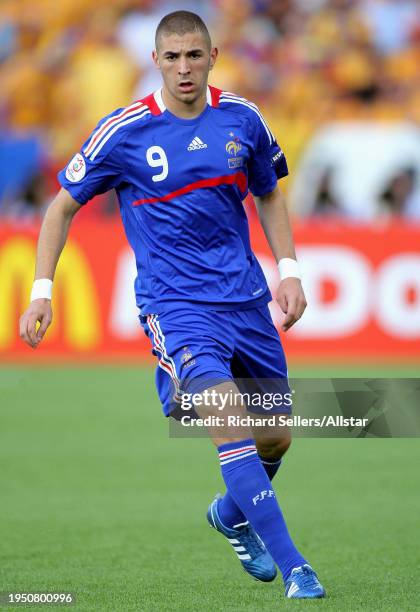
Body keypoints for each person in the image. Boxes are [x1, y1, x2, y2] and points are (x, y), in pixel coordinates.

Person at [19, 10, 326, 600]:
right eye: (172, 57)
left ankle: (231, 515)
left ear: (212, 56)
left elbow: (268, 192)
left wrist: (289, 270)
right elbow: (59, 207)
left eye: (194, 55)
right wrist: (42, 291)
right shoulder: (125, 131)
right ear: (155, 61)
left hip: (245, 301)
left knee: (276, 437)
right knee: (229, 423)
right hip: (176, 306)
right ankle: (297, 569)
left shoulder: (244, 118)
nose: (183, 68)